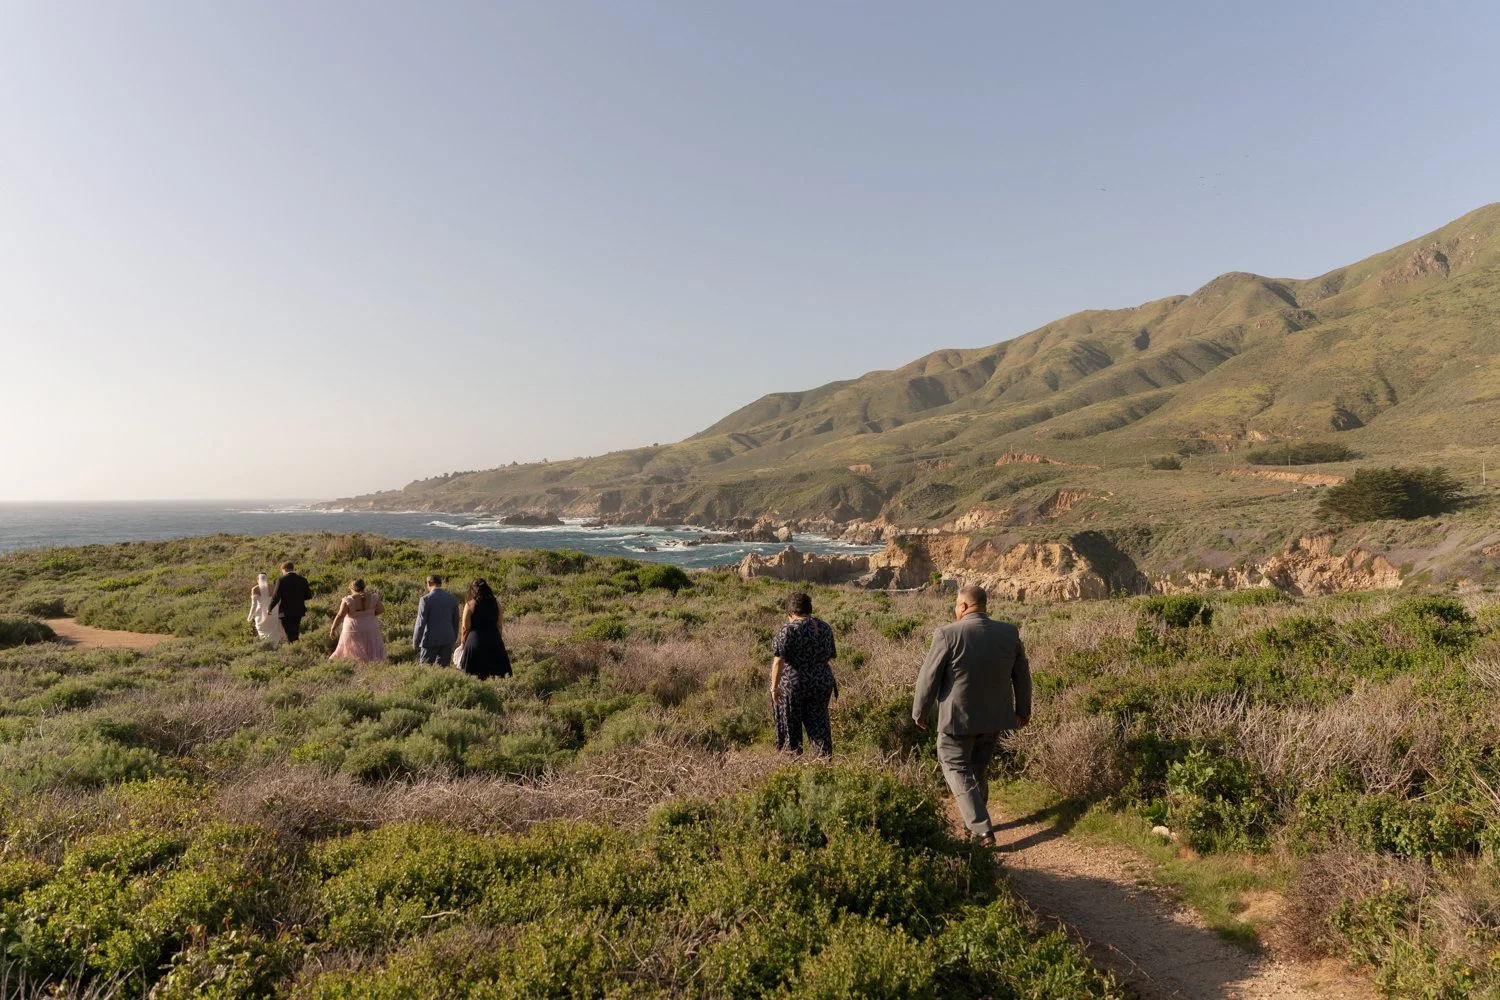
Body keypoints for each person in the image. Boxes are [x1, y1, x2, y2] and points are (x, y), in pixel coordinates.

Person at [912, 583, 1032, 847]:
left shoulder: (947, 634)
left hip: (957, 719)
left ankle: (981, 830)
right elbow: (1022, 675)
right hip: (994, 718)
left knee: (955, 766)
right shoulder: (1009, 633)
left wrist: (919, 710)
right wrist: (1023, 710)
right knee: (977, 770)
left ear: (963, 606)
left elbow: (929, 676)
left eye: (956, 605)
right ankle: (979, 818)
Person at [769, 591, 838, 758]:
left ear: (791, 612)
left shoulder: (789, 630)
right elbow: (830, 655)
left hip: (793, 685)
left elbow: (778, 661)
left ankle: (793, 769)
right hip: (821, 683)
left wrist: (774, 688)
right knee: (819, 728)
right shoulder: (824, 627)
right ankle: (824, 766)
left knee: (790, 731)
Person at [458, 579, 511, 679]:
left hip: (475, 641)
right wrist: (497, 639)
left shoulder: (470, 605)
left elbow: (465, 627)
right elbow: (499, 625)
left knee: (472, 674)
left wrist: (463, 643)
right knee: (497, 674)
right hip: (494, 639)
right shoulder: (496, 603)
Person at [330, 579, 386, 663]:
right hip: (371, 626)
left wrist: (333, 629)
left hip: (353, 628)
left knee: (353, 649)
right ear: (364, 586)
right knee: (370, 645)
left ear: (351, 588)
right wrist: (369, 615)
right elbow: (381, 610)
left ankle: (356, 664)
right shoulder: (373, 597)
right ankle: (373, 663)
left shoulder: (348, 600)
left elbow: (340, 616)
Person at [412, 574, 461, 666]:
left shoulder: (425, 599)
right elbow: (456, 621)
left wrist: (416, 642)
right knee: (443, 670)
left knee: (425, 669)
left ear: (429, 583)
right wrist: (453, 638)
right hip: (447, 639)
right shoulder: (452, 599)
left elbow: (420, 624)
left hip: (430, 640)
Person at [268, 561, 313, 643]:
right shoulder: (302, 580)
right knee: (295, 632)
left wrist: (270, 608)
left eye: (282, 571)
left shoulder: (281, 580)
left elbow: (276, 596)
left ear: (284, 569)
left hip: (285, 612)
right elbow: (309, 595)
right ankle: (296, 647)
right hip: (299, 610)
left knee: (290, 634)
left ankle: (294, 650)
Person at [247, 573, 286, 645]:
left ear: (258, 580)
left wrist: (250, 617)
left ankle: (267, 645)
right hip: (274, 612)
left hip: (261, 613)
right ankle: (276, 645)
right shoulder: (274, 587)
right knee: (274, 630)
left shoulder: (255, 589)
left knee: (263, 631)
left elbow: (254, 605)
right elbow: (279, 600)